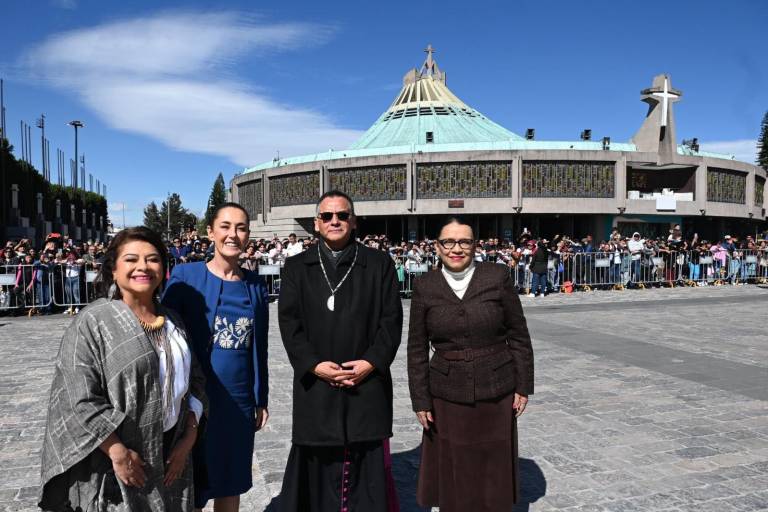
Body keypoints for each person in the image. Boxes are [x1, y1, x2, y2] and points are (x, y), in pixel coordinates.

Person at [38, 227, 206, 511]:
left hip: (173, 454)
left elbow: (196, 380)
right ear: (113, 270)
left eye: (153, 259)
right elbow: (78, 396)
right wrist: (117, 452)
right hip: (114, 460)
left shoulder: (173, 321)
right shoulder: (93, 322)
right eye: (131, 259)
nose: (143, 266)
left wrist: (189, 436)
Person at [278, 190, 402, 511]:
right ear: (316, 223)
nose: (335, 221)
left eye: (342, 215)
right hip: (316, 384)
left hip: (366, 384)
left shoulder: (379, 264)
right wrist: (314, 365)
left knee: (365, 465)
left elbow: (391, 322)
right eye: (327, 216)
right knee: (316, 468)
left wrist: (371, 362)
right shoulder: (296, 267)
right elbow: (290, 325)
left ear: (354, 221)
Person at [407, 216, 535, 512]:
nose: (457, 248)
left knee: (494, 463)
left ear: (475, 245)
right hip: (447, 392)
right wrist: (420, 400)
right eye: (449, 242)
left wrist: (523, 385)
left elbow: (518, 334)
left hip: (497, 387)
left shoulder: (497, 276)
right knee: (456, 465)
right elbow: (416, 348)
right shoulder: (425, 285)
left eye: (464, 241)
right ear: (437, 247)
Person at [163, 203, 269, 512]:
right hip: (195, 400)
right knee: (192, 483)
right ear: (210, 232)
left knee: (231, 482)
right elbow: (166, 336)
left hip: (238, 401)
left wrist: (260, 398)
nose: (233, 234)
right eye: (225, 226)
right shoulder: (186, 276)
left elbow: (259, 345)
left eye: (241, 228)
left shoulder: (255, 285)